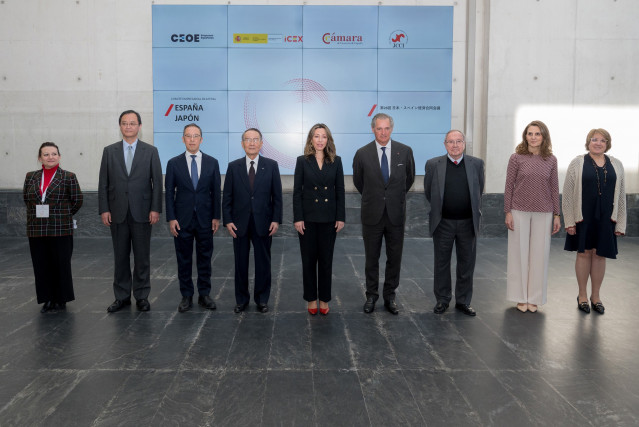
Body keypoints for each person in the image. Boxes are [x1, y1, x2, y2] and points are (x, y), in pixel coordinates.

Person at [98, 110, 163, 313]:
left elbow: (157, 183)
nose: (128, 126)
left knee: (142, 257)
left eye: (132, 123)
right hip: (116, 212)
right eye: (124, 123)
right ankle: (122, 297)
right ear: (120, 126)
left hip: (143, 212)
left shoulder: (150, 151)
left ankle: (142, 296)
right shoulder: (109, 151)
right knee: (120, 257)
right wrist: (104, 209)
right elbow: (103, 183)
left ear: (139, 126)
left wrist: (155, 209)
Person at [352, 113, 415, 315]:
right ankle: (371, 295)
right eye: (379, 128)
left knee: (394, 257)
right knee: (371, 257)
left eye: (386, 128)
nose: (383, 132)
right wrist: (376, 197)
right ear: (373, 129)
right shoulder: (362, 153)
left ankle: (390, 296)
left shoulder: (405, 152)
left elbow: (409, 179)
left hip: (396, 214)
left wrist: (393, 197)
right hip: (372, 214)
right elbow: (359, 182)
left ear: (391, 129)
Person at [563, 128, 626, 315]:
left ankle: (595, 297)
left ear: (607, 144)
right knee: (584, 254)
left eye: (602, 140)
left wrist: (620, 222)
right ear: (588, 142)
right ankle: (582, 295)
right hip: (584, 215)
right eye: (594, 139)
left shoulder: (617, 164)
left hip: (607, 217)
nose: (598, 143)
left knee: (600, 255)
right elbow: (567, 194)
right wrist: (569, 221)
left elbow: (621, 194)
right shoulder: (577, 163)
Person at [424, 130, 485, 316]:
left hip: (468, 223)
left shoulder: (476, 164)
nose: (455, 145)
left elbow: (479, 190)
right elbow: (429, 192)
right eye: (451, 142)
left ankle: (463, 301)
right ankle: (442, 300)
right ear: (445, 144)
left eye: (459, 141)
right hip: (443, 224)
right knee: (441, 263)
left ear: (464, 143)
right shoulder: (434, 164)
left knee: (466, 264)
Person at [223, 128, 283, 313]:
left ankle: (262, 299)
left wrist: (276, 220)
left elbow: (277, 196)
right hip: (239, 224)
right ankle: (241, 299)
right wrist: (228, 220)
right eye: (247, 140)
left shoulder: (271, 165)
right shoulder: (234, 167)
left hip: (263, 222)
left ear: (261, 143)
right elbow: (227, 197)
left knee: (263, 263)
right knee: (240, 263)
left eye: (255, 139)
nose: (251, 143)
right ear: (242, 144)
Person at [504, 121, 561, 313]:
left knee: (540, 255)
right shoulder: (516, 158)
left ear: (544, 137)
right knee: (518, 254)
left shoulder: (551, 160)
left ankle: (535, 298)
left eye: (537, 134)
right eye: (530, 133)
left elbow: (554, 187)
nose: (534, 137)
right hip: (519, 210)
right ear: (525, 136)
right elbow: (508, 185)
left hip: (544, 211)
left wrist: (557, 214)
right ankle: (520, 297)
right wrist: (508, 211)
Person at [165, 123, 221, 313]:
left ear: (201, 139)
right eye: (188, 136)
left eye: (195, 136)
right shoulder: (173, 163)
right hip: (182, 220)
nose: (192, 139)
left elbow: (216, 193)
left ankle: (204, 294)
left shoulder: (212, 162)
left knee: (205, 258)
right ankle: (186, 295)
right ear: (183, 139)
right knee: (184, 259)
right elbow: (169, 193)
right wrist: (171, 218)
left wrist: (216, 216)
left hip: (206, 219)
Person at [23, 142, 83, 313]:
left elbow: (77, 200)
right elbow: (27, 199)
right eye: (46, 154)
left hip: (60, 227)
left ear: (60, 156)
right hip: (37, 228)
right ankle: (47, 298)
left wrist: (63, 215)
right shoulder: (31, 176)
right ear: (39, 158)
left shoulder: (68, 176)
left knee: (61, 263)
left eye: (54, 154)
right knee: (41, 264)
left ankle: (61, 298)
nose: (51, 157)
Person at [293, 124, 345, 316]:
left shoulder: (336, 161)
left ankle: (324, 299)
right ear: (311, 139)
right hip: (307, 218)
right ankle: (311, 299)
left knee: (326, 261)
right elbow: (297, 191)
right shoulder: (302, 161)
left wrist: (340, 217)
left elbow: (339, 190)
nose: (320, 140)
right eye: (317, 136)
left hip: (329, 219)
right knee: (308, 261)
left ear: (328, 140)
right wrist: (298, 218)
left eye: (324, 136)